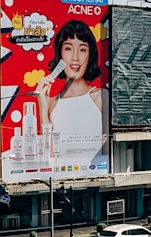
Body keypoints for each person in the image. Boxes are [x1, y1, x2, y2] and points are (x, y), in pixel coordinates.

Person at [36, 19, 107, 165]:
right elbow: (47, 158)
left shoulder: (101, 97)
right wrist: (43, 107)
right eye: (68, 48)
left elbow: (108, 152)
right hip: (58, 181)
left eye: (82, 49)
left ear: (90, 55)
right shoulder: (51, 103)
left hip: (96, 179)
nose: (75, 57)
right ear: (60, 53)